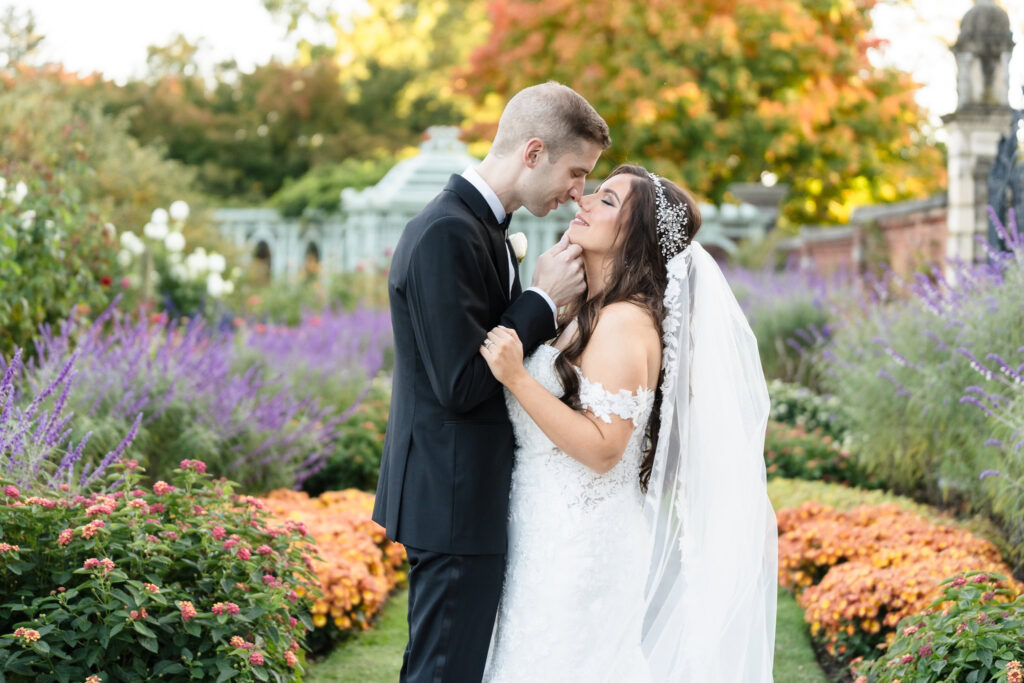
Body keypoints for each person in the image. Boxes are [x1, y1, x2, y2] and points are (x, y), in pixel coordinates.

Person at [479, 165, 778, 681]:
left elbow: (603, 448)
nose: (586, 201)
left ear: (634, 238)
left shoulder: (624, 324)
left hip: (581, 543)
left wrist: (516, 377)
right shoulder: (589, 310)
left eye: (609, 201)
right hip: (542, 530)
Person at [372, 81, 611, 682]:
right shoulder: (447, 232)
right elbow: (460, 384)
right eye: (576, 173)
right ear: (533, 153)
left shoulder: (483, 227)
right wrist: (538, 300)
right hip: (453, 494)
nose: (577, 193)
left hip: (461, 491)